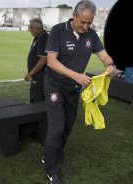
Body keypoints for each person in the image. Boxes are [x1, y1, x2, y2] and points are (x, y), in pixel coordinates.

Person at [43, 0, 116, 183]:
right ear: (74, 15)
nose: (86, 26)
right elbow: (51, 61)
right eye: (82, 22)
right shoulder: (58, 31)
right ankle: (52, 170)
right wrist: (76, 75)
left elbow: (104, 55)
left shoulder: (91, 34)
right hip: (54, 84)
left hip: (73, 89)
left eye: (89, 23)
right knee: (57, 127)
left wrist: (110, 65)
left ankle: (51, 153)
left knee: (68, 126)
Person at [24, 18, 48, 103]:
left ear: (36, 28)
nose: (29, 29)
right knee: (37, 99)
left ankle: (39, 116)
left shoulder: (43, 38)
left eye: (30, 27)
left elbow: (43, 60)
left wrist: (30, 73)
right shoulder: (39, 37)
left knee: (36, 101)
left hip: (39, 77)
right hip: (38, 76)